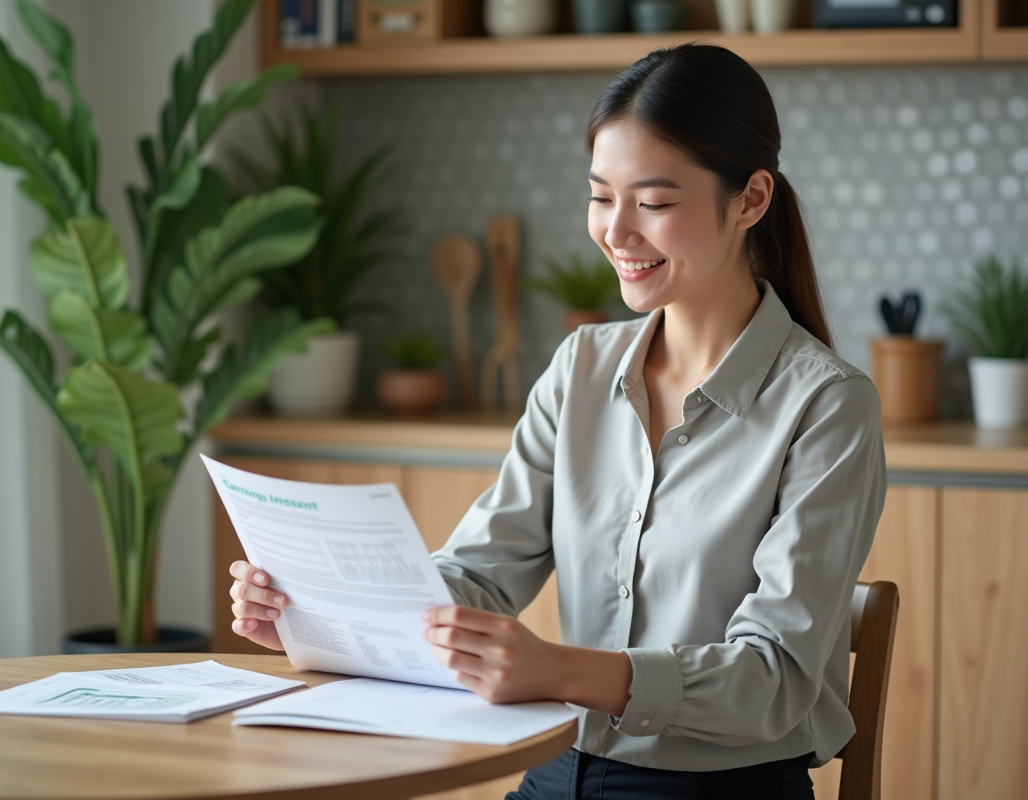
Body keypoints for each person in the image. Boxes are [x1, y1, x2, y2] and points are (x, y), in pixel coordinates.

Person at [228, 43, 886, 799]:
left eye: (654, 203)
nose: (617, 232)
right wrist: (323, 618)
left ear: (751, 200)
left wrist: (557, 670)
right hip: (554, 768)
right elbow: (480, 574)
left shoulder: (827, 405)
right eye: (601, 197)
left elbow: (774, 678)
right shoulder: (581, 368)